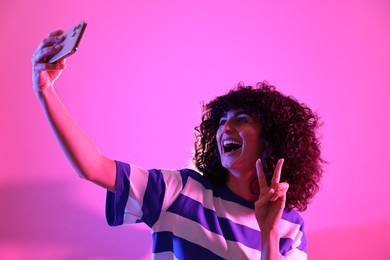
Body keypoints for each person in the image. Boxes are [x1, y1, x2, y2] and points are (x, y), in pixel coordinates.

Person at [32, 30, 323, 260]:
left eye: (242, 119)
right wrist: (46, 91)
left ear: (272, 138)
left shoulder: (290, 227)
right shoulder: (180, 191)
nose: (226, 128)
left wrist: (269, 232)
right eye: (222, 121)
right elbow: (93, 167)